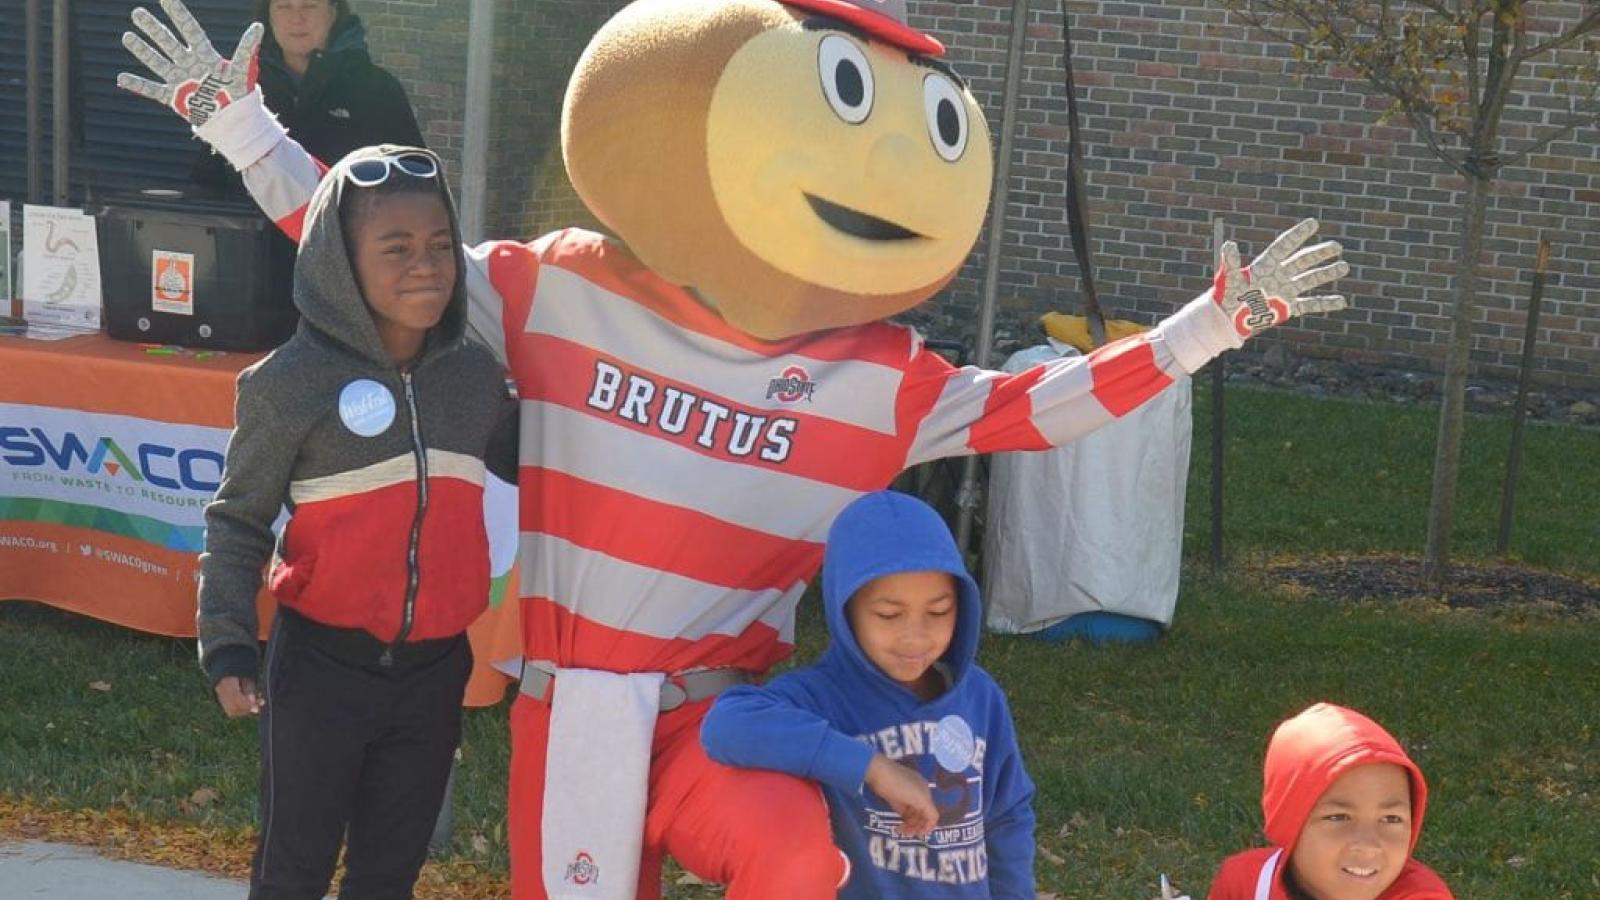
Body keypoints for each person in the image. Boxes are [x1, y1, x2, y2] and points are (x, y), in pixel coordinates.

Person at [121, 2, 1351, 896]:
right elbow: (374, 248)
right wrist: (240, 128)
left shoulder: (882, 376)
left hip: (726, 715)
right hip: (579, 702)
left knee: (796, 859)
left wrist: (1205, 328)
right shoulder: (559, 292)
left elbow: (1047, 405)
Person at [196, 145, 515, 899]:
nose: (426, 266)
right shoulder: (288, 384)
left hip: (435, 674)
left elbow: (544, 463)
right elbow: (238, 519)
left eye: (440, 246)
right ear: (340, 260)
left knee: (387, 875)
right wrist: (228, 642)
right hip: (319, 671)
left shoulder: (475, 380)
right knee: (292, 871)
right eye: (396, 248)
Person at [701, 490, 1037, 898]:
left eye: (939, 611)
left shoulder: (981, 697)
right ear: (845, 610)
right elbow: (726, 725)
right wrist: (873, 768)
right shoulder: (819, 696)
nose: (915, 635)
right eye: (889, 615)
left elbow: (1006, 818)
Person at [188, 0, 425, 333]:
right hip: (252, 287)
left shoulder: (377, 90)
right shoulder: (241, 92)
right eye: (283, 7)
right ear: (267, 17)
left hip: (346, 287)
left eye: (309, 6)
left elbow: (415, 190)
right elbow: (206, 185)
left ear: (333, 12)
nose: (296, 19)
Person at [1206, 703, 1455, 900]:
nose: (1368, 845)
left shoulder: (1421, 895)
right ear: (1288, 824)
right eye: (1339, 817)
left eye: (1391, 819)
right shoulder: (1246, 881)